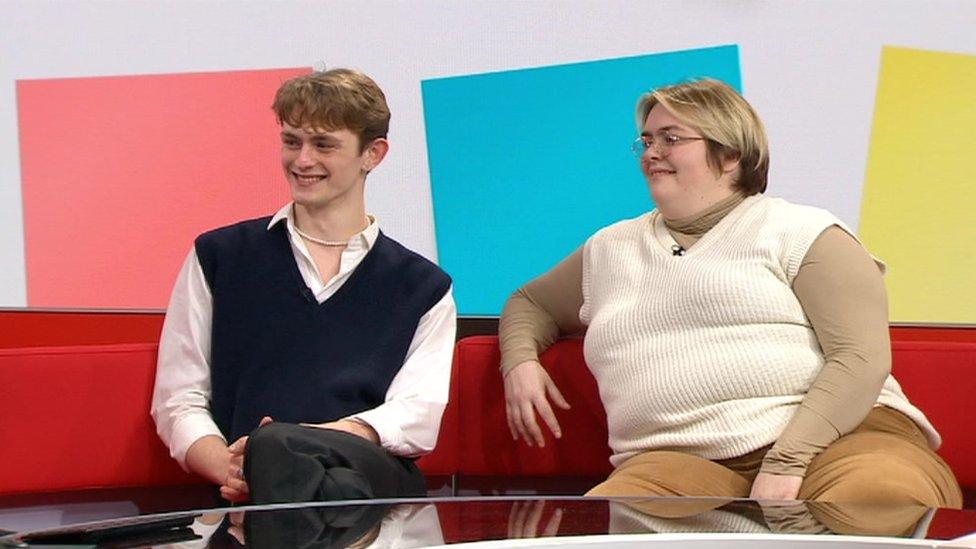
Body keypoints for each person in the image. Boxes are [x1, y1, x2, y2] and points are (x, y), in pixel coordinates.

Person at [500, 78, 961, 507]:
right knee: (608, 522)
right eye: (646, 140)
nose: (651, 152)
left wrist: (787, 462)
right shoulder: (608, 247)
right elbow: (531, 303)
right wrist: (520, 361)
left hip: (839, 443)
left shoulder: (803, 231)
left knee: (878, 498)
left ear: (731, 154)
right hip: (676, 463)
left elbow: (861, 358)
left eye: (671, 138)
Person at [151, 68, 456, 504]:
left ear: (373, 153)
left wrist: (297, 448)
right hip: (243, 499)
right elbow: (179, 400)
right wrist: (235, 468)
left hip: (359, 500)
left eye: (323, 145)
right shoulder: (219, 256)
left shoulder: (423, 286)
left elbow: (416, 417)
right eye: (292, 141)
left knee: (281, 449)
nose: (302, 160)